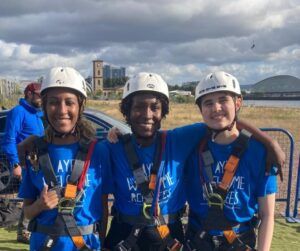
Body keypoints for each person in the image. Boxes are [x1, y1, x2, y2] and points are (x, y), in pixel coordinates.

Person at [103, 72, 283, 251]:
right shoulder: (114, 147)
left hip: (168, 236)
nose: (147, 114)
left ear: (163, 111)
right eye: (138, 107)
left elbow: (224, 121)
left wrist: (270, 142)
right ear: (127, 110)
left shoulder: (178, 140)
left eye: (155, 107)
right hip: (124, 235)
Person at [17, 67, 113, 251]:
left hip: (85, 245)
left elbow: (103, 207)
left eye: (69, 102)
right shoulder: (35, 152)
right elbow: (27, 212)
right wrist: (40, 205)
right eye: (53, 103)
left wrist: (103, 242)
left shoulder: (98, 152)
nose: (62, 110)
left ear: (80, 106)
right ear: (44, 106)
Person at [184, 71, 277, 251]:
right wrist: (114, 135)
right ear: (201, 109)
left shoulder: (259, 152)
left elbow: (267, 214)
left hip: (239, 241)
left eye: (223, 100)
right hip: (198, 240)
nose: (216, 108)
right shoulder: (190, 148)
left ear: (238, 103)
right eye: (208, 103)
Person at [1, 82, 44, 243]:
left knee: (38, 195)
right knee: (30, 196)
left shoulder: (36, 114)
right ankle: (24, 232)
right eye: (38, 94)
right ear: (29, 94)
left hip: (37, 163)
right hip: (26, 163)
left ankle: (28, 230)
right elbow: (9, 140)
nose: (41, 98)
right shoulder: (18, 112)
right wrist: (15, 164)